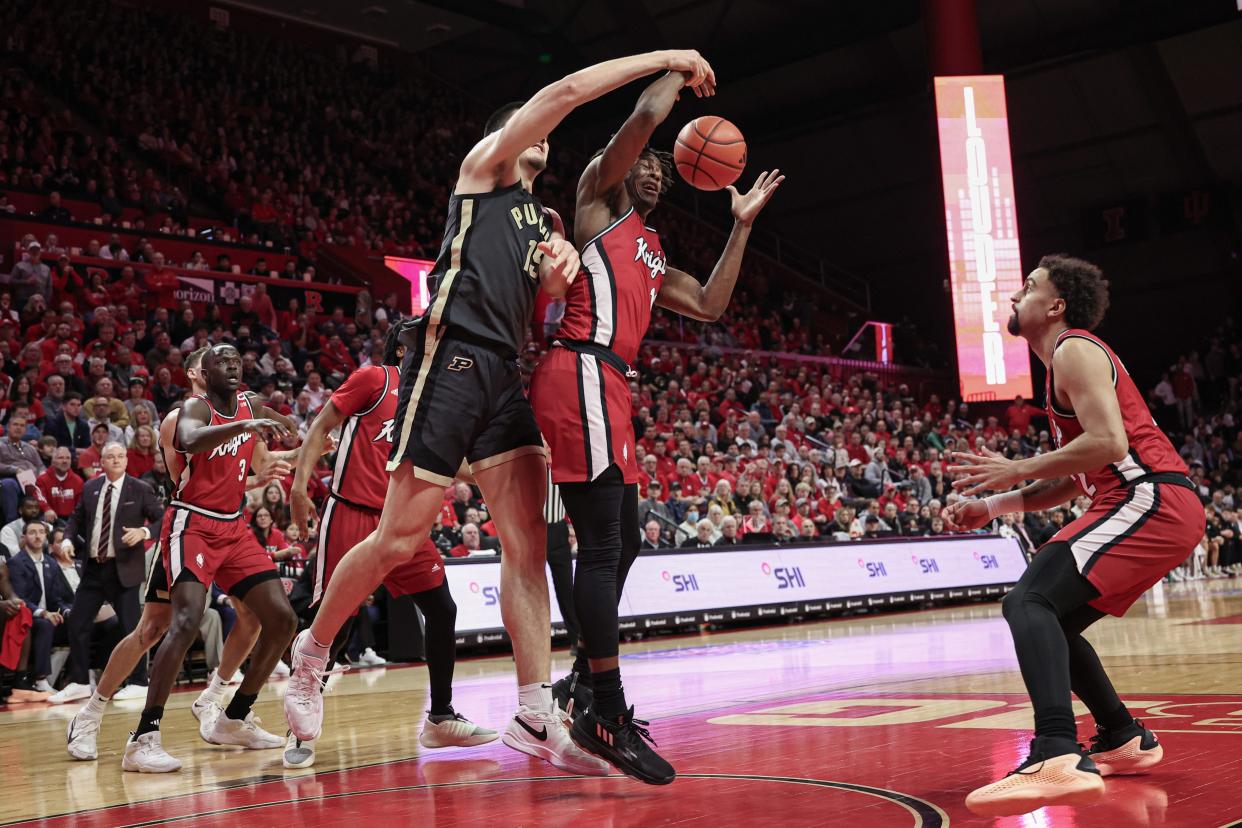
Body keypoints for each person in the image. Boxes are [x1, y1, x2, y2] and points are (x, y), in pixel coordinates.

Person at [285, 48, 718, 777]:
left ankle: (533, 709)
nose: (542, 141)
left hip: (503, 375)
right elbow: (571, 90)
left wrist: (554, 279)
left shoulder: (542, 219)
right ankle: (313, 651)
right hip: (451, 359)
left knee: (528, 544)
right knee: (398, 538)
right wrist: (668, 60)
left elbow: (547, 297)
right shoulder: (484, 171)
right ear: (512, 135)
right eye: (533, 131)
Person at [528, 66, 781, 785]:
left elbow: (706, 305)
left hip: (608, 383)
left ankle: (583, 683)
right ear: (621, 161)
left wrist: (740, 228)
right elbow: (641, 116)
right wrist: (675, 70)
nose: (657, 175)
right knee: (603, 543)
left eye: (666, 173)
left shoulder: (651, 247)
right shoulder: (595, 203)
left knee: (625, 539)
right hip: (578, 367)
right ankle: (602, 707)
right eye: (648, 162)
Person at [944, 255, 1205, 817]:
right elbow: (1081, 474)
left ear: (1056, 306)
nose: (1017, 294)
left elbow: (1110, 444)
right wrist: (994, 504)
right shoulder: (1061, 364)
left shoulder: (1074, 349)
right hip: (1146, 499)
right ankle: (1121, 737)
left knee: (1028, 600)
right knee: (1053, 620)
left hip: (1150, 497)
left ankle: (1055, 752)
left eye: (1030, 286)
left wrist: (1016, 468)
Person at [64, 346, 291, 760]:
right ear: (196, 374)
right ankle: (97, 716)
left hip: (233, 525)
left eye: (235, 362)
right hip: (191, 525)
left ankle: (224, 706)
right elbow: (193, 445)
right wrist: (251, 423)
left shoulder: (246, 404)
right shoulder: (181, 416)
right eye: (217, 363)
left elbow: (257, 461)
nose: (229, 368)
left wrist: (299, 447)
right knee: (155, 628)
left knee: (266, 616)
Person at [285, 325, 495, 767]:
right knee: (333, 623)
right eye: (430, 339)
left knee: (442, 609)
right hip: (351, 512)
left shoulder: (434, 398)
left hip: (401, 520)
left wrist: (499, 471)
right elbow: (322, 424)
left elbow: (452, 464)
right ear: (404, 347)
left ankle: (439, 716)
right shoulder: (375, 379)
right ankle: (297, 733)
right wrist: (300, 488)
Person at [49, 444, 164, 706]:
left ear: (126, 460)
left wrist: (144, 533)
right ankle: (79, 682)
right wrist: (67, 541)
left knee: (132, 628)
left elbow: (163, 517)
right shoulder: (91, 487)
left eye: (121, 456)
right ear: (101, 461)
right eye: (110, 457)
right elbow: (76, 520)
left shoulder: (140, 488)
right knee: (77, 622)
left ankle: (138, 682)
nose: (116, 460)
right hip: (94, 568)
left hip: (123, 568)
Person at [8, 521, 73, 692]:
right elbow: (20, 599)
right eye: (32, 532)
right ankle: (41, 680)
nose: (37, 536)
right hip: (27, 617)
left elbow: (57, 598)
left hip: (49, 615)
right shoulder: (16, 562)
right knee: (45, 625)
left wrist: (66, 611)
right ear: (23, 537)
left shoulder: (51, 563)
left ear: (45, 536)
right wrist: (44, 613)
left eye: (41, 532)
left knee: (79, 625)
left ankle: (78, 678)